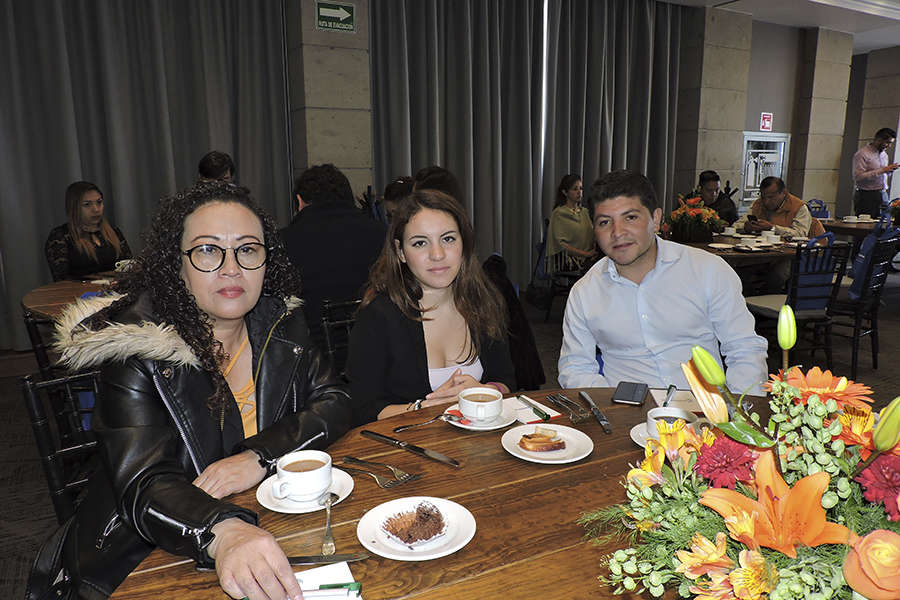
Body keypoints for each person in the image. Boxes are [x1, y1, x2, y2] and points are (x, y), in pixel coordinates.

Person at [31, 181, 353, 600]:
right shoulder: (137, 349)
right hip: (148, 551)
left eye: (247, 249)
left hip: (270, 523)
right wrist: (223, 530)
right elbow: (145, 482)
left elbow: (336, 400)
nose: (231, 268)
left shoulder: (281, 323)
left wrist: (259, 456)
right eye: (207, 250)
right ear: (176, 265)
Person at [558, 169, 768, 394]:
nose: (617, 232)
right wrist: (612, 406)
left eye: (630, 218)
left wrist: (738, 417)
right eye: (604, 222)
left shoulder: (707, 271)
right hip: (627, 416)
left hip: (705, 415)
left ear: (656, 219)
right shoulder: (585, 293)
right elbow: (575, 367)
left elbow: (744, 350)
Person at [347, 189, 515, 423]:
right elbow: (363, 408)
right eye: (420, 243)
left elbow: (506, 379)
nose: (437, 254)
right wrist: (425, 408)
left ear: (463, 244)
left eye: (448, 239)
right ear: (401, 252)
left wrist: (485, 392)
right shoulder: (378, 317)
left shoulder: (484, 301)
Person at [280, 164, 386, 351]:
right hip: (376, 348)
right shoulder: (382, 234)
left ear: (299, 201)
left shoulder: (283, 242)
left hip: (311, 358)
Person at [45, 181, 133, 281]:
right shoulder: (60, 237)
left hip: (117, 292)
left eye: (99, 202)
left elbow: (129, 268)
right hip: (78, 294)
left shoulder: (114, 232)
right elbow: (61, 279)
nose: (96, 209)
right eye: (87, 204)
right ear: (74, 208)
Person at [734, 177, 825, 239]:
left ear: (784, 193)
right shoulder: (758, 203)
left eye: (771, 197)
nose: (766, 201)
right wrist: (746, 227)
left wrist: (772, 228)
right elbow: (736, 226)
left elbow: (799, 234)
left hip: (790, 255)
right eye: (763, 197)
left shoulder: (799, 207)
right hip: (762, 250)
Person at [853, 127, 898, 217]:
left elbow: (881, 175)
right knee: (866, 226)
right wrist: (882, 170)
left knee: (883, 223)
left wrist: (889, 171)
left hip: (882, 193)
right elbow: (858, 177)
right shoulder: (862, 154)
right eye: (888, 142)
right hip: (866, 195)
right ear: (879, 139)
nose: (889, 146)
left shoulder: (884, 155)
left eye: (891, 143)